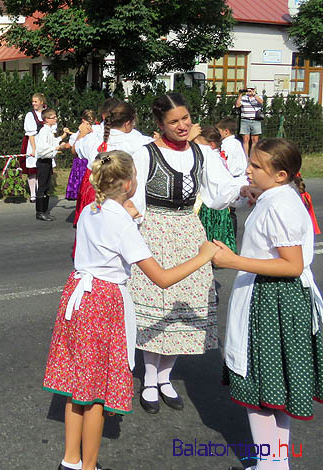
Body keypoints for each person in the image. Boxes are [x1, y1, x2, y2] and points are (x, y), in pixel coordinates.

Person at [44, 150, 219, 470]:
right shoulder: (122, 223)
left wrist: (130, 215)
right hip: (104, 302)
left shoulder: (91, 210)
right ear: (127, 184)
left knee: (76, 387)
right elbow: (162, 278)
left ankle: (70, 461)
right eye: (136, 176)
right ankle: (89, 466)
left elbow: (106, 236)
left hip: (79, 296)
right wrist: (203, 255)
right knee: (95, 395)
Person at [128, 93, 247, 414]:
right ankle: (150, 379)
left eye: (186, 119)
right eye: (174, 121)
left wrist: (243, 189)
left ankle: (166, 377)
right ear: (160, 124)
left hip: (188, 232)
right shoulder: (145, 154)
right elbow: (134, 198)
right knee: (157, 306)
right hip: (153, 231)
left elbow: (220, 191)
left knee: (183, 307)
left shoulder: (202, 153)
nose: (182, 126)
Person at [213, 139, 323, 470]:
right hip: (273, 298)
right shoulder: (279, 196)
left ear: (280, 175)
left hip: (273, 301)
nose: (248, 169)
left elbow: (291, 264)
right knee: (272, 392)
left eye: (256, 167)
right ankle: (273, 464)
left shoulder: (280, 206)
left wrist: (232, 261)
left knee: (261, 390)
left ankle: (271, 465)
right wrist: (254, 191)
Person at [74, 101, 151, 232]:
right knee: (116, 236)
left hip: (94, 196)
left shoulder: (93, 137)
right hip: (121, 197)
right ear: (128, 124)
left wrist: (81, 133)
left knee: (92, 232)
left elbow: (76, 148)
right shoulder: (138, 141)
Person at [192, 127, 237, 253]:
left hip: (211, 202)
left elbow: (215, 181)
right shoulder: (215, 156)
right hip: (217, 200)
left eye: (198, 144)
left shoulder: (210, 156)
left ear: (210, 145)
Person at [33, 109, 61, 221]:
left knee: (47, 186)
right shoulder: (44, 131)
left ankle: (45, 210)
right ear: (46, 119)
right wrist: (55, 148)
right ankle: (40, 212)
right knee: (42, 186)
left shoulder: (49, 131)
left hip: (48, 161)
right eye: (53, 117)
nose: (55, 119)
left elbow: (53, 142)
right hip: (43, 161)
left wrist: (61, 139)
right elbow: (41, 148)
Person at [20, 93, 47, 203]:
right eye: (33, 101)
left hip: (44, 142)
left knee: (43, 169)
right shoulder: (30, 115)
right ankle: (33, 194)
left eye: (36, 101)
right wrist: (34, 149)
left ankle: (41, 192)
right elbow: (30, 134)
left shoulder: (47, 113)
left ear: (41, 102)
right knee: (32, 170)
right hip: (33, 142)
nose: (34, 103)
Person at [65, 110, 96, 201]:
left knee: (83, 189)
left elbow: (73, 150)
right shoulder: (97, 131)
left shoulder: (84, 132)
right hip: (86, 162)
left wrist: (81, 134)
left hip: (83, 163)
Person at [235, 87, 264, 157]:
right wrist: (240, 94)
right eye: (248, 89)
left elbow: (261, 101)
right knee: (245, 139)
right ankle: (246, 156)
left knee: (255, 140)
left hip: (255, 120)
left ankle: (253, 155)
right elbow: (237, 105)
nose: (250, 91)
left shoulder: (258, 96)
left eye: (252, 89)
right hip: (245, 119)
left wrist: (254, 95)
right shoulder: (244, 97)